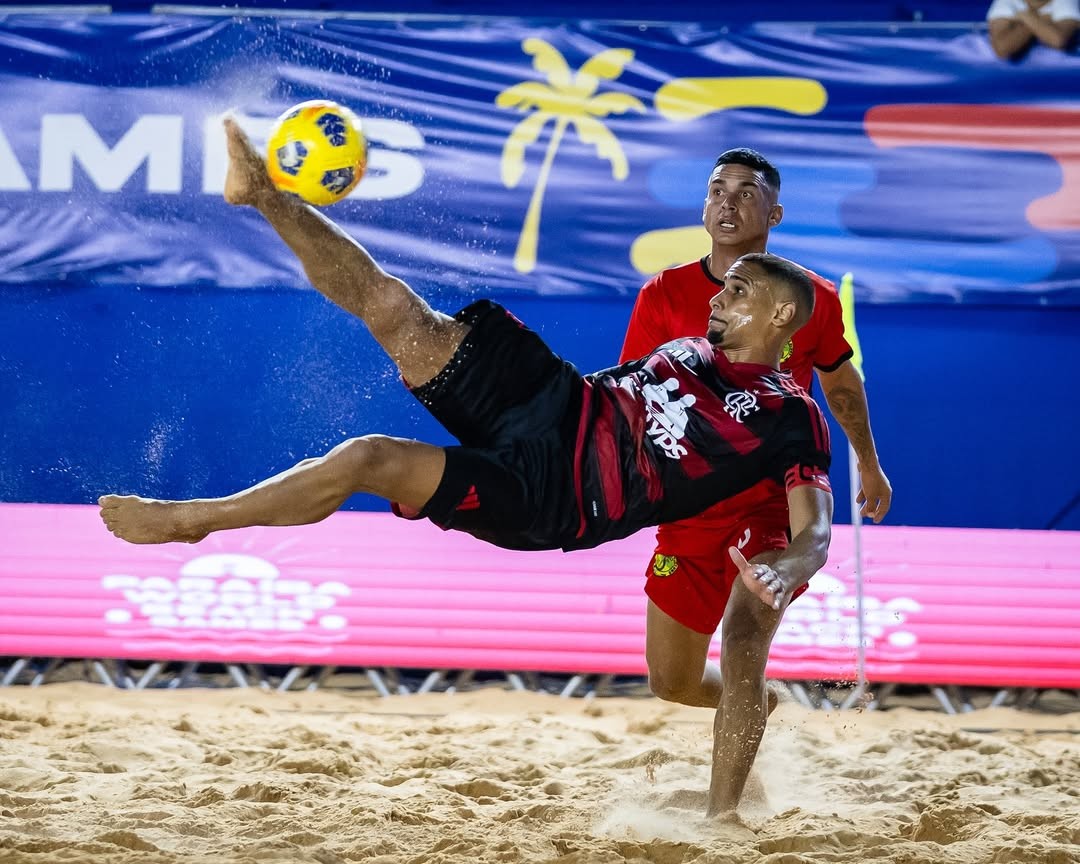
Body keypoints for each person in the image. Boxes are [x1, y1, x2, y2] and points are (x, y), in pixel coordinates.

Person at [100, 122, 834, 817]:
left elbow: (818, 529)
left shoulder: (789, 414)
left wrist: (791, 558)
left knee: (368, 458)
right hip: (560, 406)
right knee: (395, 310)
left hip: (560, 495)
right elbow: (622, 397)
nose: (719, 293)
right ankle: (265, 193)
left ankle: (195, 521)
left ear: (779, 320)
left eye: (738, 292)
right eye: (723, 284)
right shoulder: (687, 348)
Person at [620, 148, 890, 815]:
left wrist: (870, 461)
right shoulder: (664, 294)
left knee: (744, 643)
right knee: (672, 681)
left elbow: (840, 382)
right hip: (690, 505)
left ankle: (723, 815)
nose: (727, 201)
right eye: (716, 189)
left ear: (773, 213)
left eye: (745, 192)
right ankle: (757, 707)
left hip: (776, 501)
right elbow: (629, 398)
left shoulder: (809, 299)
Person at [987, 0, 1079, 59]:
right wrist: (1042, 19)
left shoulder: (1068, 1)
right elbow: (1002, 49)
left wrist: (1026, 17)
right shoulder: (1005, 2)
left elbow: (1058, 40)